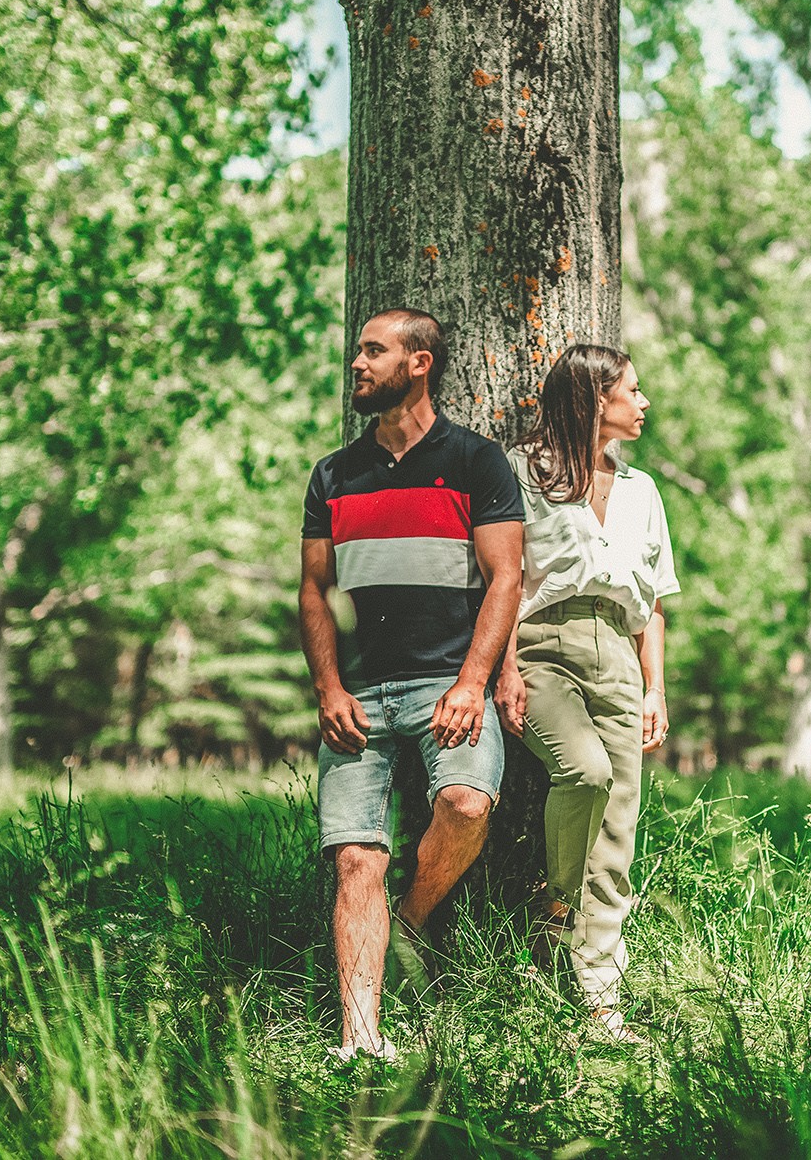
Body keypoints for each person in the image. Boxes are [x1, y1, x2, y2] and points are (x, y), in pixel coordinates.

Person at [299, 308, 525, 1064]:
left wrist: (473, 681)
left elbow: (506, 578)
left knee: (464, 803)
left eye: (374, 350)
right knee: (356, 856)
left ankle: (416, 914)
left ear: (420, 362)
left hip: (446, 686)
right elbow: (312, 590)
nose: (357, 363)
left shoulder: (475, 462)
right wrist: (329, 688)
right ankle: (359, 1038)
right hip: (359, 695)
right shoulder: (333, 474)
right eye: (358, 350)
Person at [494, 344, 679, 1044]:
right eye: (633, 390)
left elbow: (654, 601)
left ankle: (600, 997)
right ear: (596, 399)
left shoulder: (642, 490)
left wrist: (655, 687)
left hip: (620, 657)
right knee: (585, 770)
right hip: (544, 646)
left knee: (619, 832)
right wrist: (505, 669)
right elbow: (505, 579)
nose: (644, 402)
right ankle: (554, 908)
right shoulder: (525, 472)